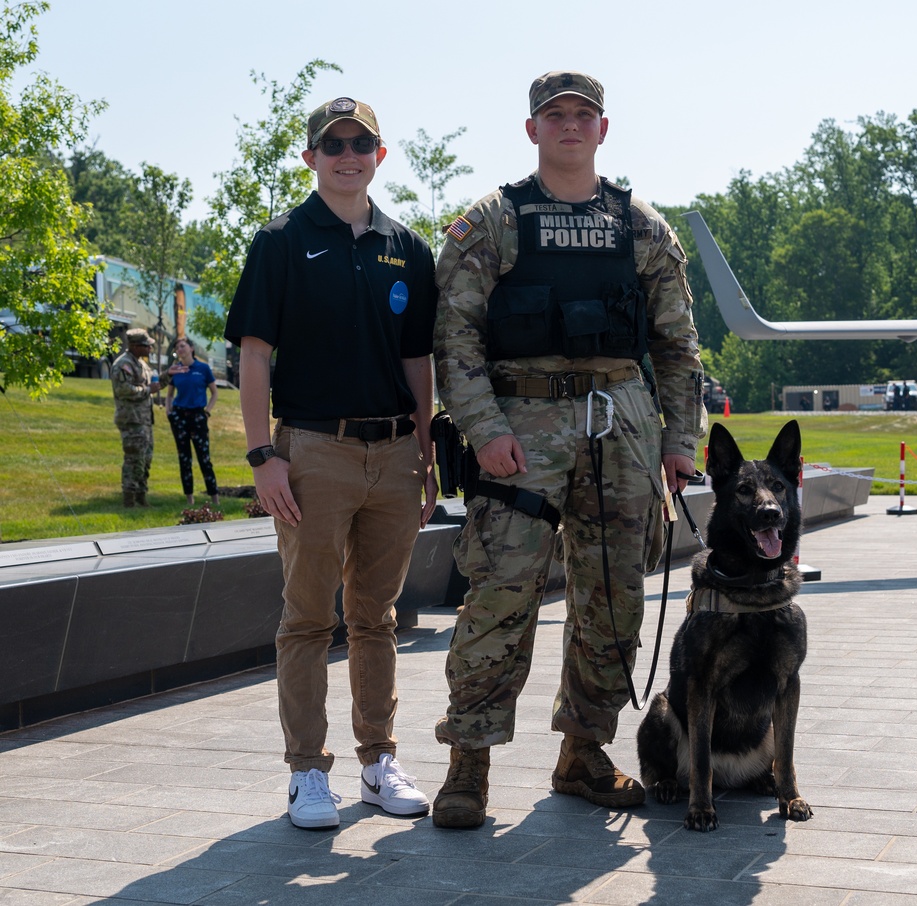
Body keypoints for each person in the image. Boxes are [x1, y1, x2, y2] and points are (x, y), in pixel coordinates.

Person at [431, 71, 708, 828]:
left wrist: (680, 443)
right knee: (499, 592)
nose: (570, 126)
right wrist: (484, 430)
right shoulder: (493, 221)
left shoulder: (642, 227)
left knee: (615, 597)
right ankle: (469, 763)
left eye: (584, 114)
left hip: (621, 424)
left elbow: (678, 348)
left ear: (603, 129)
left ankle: (584, 750)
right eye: (555, 115)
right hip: (520, 428)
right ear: (532, 130)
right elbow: (453, 337)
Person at [224, 95, 438, 829]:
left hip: (396, 453)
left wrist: (427, 452)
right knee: (309, 618)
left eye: (361, 142)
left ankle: (378, 761)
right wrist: (262, 457)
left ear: (381, 154)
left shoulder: (407, 247)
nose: (348, 154)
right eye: (333, 142)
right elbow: (254, 355)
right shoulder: (280, 241)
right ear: (310, 156)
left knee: (377, 618)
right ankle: (307, 775)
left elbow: (418, 358)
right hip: (313, 452)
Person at [165, 336, 220, 506]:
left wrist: (207, 412)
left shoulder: (203, 369)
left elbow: (214, 393)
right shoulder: (175, 370)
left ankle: (215, 498)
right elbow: (169, 394)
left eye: (183, 346)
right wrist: (169, 412)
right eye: (177, 347)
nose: (180, 349)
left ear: (191, 348)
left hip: (198, 416)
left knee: (204, 458)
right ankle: (189, 499)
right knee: (184, 458)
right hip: (180, 417)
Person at [111, 327, 157, 508]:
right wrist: (147, 390)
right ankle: (129, 499)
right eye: (147, 346)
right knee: (134, 459)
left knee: (146, 459)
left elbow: (152, 385)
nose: (150, 349)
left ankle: (141, 496)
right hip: (132, 420)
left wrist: (169, 376)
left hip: (145, 421)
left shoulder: (142, 365)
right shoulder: (123, 365)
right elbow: (124, 390)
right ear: (136, 346)